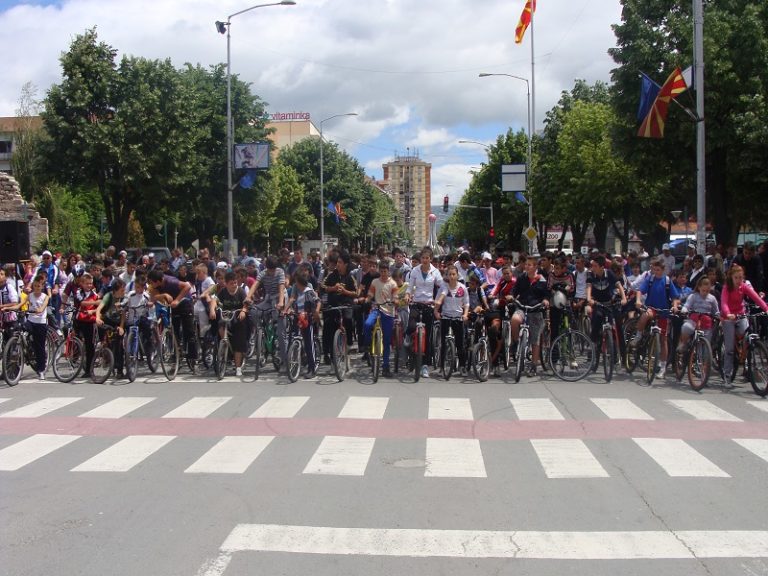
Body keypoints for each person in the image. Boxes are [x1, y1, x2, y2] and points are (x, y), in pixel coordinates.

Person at [631, 258, 681, 379]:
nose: (656, 272)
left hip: (663, 311)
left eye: (658, 270)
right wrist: (638, 300)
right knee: (645, 315)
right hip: (651, 307)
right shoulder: (650, 279)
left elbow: (675, 297)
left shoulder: (668, 281)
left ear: (663, 270)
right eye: (654, 269)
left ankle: (663, 367)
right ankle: (638, 335)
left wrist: (674, 306)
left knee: (663, 339)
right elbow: (640, 291)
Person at [720, 264, 768, 387]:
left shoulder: (744, 286)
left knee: (748, 335)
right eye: (736, 277)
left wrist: (766, 308)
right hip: (729, 317)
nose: (738, 280)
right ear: (731, 277)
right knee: (730, 349)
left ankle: (746, 359)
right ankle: (727, 374)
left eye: (741, 277)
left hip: (741, 315)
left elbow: (756, 297)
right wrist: (727, 313)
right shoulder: (727, 287)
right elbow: (724, 303)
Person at [407, 247, 442, 379]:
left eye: (427, 258)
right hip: (416, 303)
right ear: (420, 259)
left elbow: (441, 286)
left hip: (429, 305)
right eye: (423, 258)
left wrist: (437, 300)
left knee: (427, 338)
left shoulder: (435, 272)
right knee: (411, 326)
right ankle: (409, 343)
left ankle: (425, 365)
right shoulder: (415, 271)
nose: (425, 260)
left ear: (430, 259)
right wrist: (407, 295)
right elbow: (410, 286)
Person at [147, 268, 196, 364]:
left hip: (184, 302)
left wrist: (177, 300)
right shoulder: (153, 286)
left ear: (158, 281)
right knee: (174, 330)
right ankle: (177, 355)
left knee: (189, 331)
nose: (150, 284)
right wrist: (163, 295)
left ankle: (193, 358)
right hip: (172, 306)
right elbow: (152, 298)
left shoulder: (171, 281)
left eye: (152, 282)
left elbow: (187, 286)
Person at [511, 257, 550, 377]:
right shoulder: (521, 278)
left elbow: (547, 294)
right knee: (514, 319)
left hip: (536, 310)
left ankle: (533, 365)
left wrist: (545, 300)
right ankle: (516, 342)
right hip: (522, 307)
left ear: (535, 267)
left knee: (535, 339)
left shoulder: (542, 280)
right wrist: (511, 296)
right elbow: (515, 290)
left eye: (530, 265)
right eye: (526, 265)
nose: (527, 267)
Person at [585, 255, 627, 357]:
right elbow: (589, 287)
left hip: (610, 303)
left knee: (618, 324)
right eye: (592, 266)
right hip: (598, 303)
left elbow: (619, 286)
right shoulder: (591, 275)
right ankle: (593, 342)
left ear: (602, 267)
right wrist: (589, 298)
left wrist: (624, 298)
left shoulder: (609, 274)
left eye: (595, 266)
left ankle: (623, 353)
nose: (593, 268)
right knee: (597, 318)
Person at [285, 268, 321, 379]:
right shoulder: (299, 294)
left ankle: (312, 368)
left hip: (307, 321)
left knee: (309, 345)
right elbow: (295, 304)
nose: (295, 284)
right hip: (299, 319)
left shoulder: (308, 292)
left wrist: (315, 314)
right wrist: (288, 310)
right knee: (296, 338)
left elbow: (317, 302)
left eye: (296, 282)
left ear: (299, 282)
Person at [363, 262, 398, 378]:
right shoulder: (375, 282)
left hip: (388, 311)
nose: (383, 274)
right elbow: (370, 294)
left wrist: (395, 301)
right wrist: (367, 299)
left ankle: (386, 366)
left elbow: (396, 297)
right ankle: (368, 346)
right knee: (367, 324)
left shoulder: (393, 284)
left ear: (388, 271)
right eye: (381, 271)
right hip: (376, 309)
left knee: (387, 341)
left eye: (385, 271)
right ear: (379, 271)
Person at [434, 265, 470, 375]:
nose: (452, 276)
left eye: (454, 274)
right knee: (443, 343)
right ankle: (441, 367)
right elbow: (437, 301)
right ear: (447, 276)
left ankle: (462, 366)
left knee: (460, 343)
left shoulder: (462, 288)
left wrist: (465, 314)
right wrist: (436, 312)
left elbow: (467, 303)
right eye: (450, 274)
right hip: (445, 317)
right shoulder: (444, 287)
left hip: (458, 318)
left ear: (457, 275)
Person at [216, 271, 250, 376]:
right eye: (231, 283)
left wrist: (244, 311)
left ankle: (238, 367)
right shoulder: (223, 292)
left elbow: (246, 303)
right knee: (220, 327)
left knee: (239, 341)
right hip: (226, 316)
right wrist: (213, 309)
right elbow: (215, 301)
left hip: (238, 317)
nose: (234, 285)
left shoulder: (240, 291)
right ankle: (225, 345)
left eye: (235, 282)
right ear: (226, 283)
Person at [678, 276, 720, 354]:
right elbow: (687, 305)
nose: (705, 293)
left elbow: (716, 311)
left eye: (707, 291)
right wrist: (684, 310)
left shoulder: (712, 298)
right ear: (699, 287)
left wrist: (718, 315)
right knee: (686, 327)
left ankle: (702, 362)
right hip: (694, 321)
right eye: (703, 290)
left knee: (705, 348)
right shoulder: (693, 296)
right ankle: (684, 343)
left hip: (706, 324)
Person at [96, 278, 127, 378]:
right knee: (100, 327)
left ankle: (119, 370)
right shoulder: (108, 296)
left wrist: (121, 327)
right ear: (115, 290)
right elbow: (99, 308)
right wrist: (97, 318)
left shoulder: (124, 299)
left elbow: (123, 315)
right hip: (108, 319)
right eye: (122, 290)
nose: (124, 292)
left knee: (119, 345)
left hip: (118, 322)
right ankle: (102, 346)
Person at [72, 273, 101, 377]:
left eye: (90, 284)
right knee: (74, 338)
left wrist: (93, 310)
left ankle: (89, 370)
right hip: (79, 320)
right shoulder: (79, 292)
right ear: (82, 284)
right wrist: (94, 302)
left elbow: (100, 306)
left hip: (89, 321)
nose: (89, 285)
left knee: (90, 346)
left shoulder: (95, 293)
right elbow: (82, 303)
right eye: (87, 284)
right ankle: (74, 357)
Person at [26, 275, 50, 380]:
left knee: (39, 347)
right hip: (31, 321)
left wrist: (39, 310)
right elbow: (20, 304)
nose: (36, 288)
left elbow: (42, 308)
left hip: (40, 322)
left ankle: (41, 369)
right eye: (35, 286)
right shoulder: (30, 295)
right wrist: (10, 308)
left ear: (42, 286)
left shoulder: (45, 297)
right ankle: (25, 347)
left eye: (38, 286)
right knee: (22, 329)